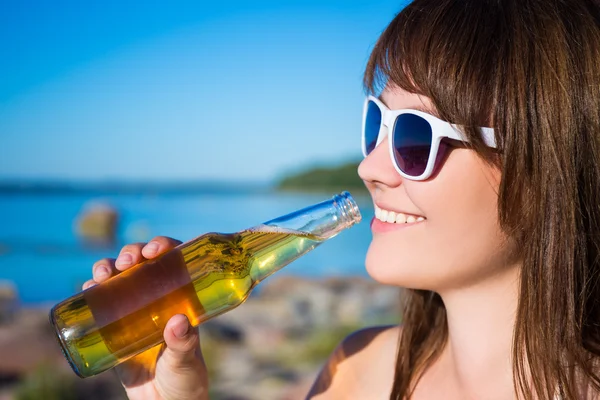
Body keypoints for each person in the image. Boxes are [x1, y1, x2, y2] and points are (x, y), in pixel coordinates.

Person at [84, 0, 600, 398]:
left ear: (545, 170)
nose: (369, 168)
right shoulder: (359, 372)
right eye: (378, 122)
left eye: (416, 137)